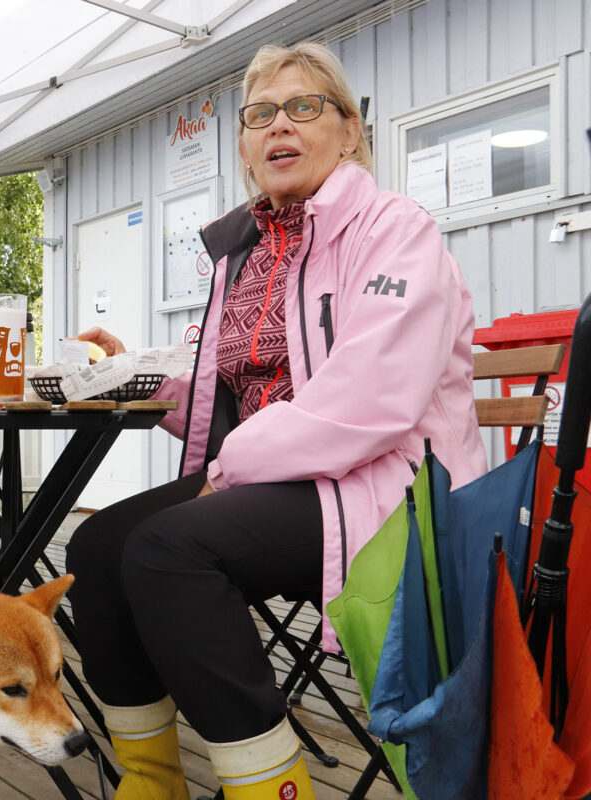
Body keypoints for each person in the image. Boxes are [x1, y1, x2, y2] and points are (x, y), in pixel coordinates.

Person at [65, 43, 487, 799]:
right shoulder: (251, 249)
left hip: (386, 490)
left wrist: (226, 469)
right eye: (260, 115)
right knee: (98, 546)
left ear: (350, 131)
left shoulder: (396, 230)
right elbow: (224, 385)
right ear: (245, 146)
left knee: (168, 550)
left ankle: (271, 788)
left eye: (303, 107)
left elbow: (370, 398)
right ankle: (151, 781)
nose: (278, 127)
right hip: (281, 478)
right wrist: (125, 378)